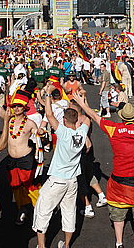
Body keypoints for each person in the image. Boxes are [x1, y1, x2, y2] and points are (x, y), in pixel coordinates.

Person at [74, 76, 134, 248]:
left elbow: (94, 116)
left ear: (121, 117)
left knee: (118, 214)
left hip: (120, 180)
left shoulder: (114, 129)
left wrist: (82, 104)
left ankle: (119, 242)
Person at [33, 84, 90, 248]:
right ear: (77, 120)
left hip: (58, 179)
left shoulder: (63, 132)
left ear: (64, 120)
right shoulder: (82, 131)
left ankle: (42, 245)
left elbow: (49, 114)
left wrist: (48, 95)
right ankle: (66, 245)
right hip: (72, 180)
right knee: (69, 212)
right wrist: (81, 100)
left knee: (43, 210)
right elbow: (86, 117)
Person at [4, 89, 39, 225]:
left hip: (26, 159)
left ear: (24, 107)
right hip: (12, 160)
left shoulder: (29, 123)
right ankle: (22, 209)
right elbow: (0, 110)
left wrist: (40, 131)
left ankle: (39, 209)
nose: (16, 108)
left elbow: (37, 133)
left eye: (19, 106)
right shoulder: (9, 120)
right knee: (16, 186)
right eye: (15, 106)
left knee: (31, 186)